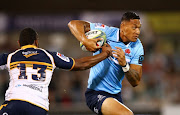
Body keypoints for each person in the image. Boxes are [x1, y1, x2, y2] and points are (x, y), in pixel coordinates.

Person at [0, 28, 112, 115]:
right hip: (38, 106)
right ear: (36, 42)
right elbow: (81, 64)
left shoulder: (10, 57)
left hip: (14, 103)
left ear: (19, 43)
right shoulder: (50, 56)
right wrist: (104, 54)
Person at [68, 11, 144, 115]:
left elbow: (135, 81)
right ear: (123, 26)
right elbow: (73, 24)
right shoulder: (107, 32)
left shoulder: (137, 47)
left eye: (139, 28)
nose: (138, 32)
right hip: (95, 93)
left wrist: (125, 65)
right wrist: (85, 41)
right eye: (134, 27)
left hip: (116, 96)